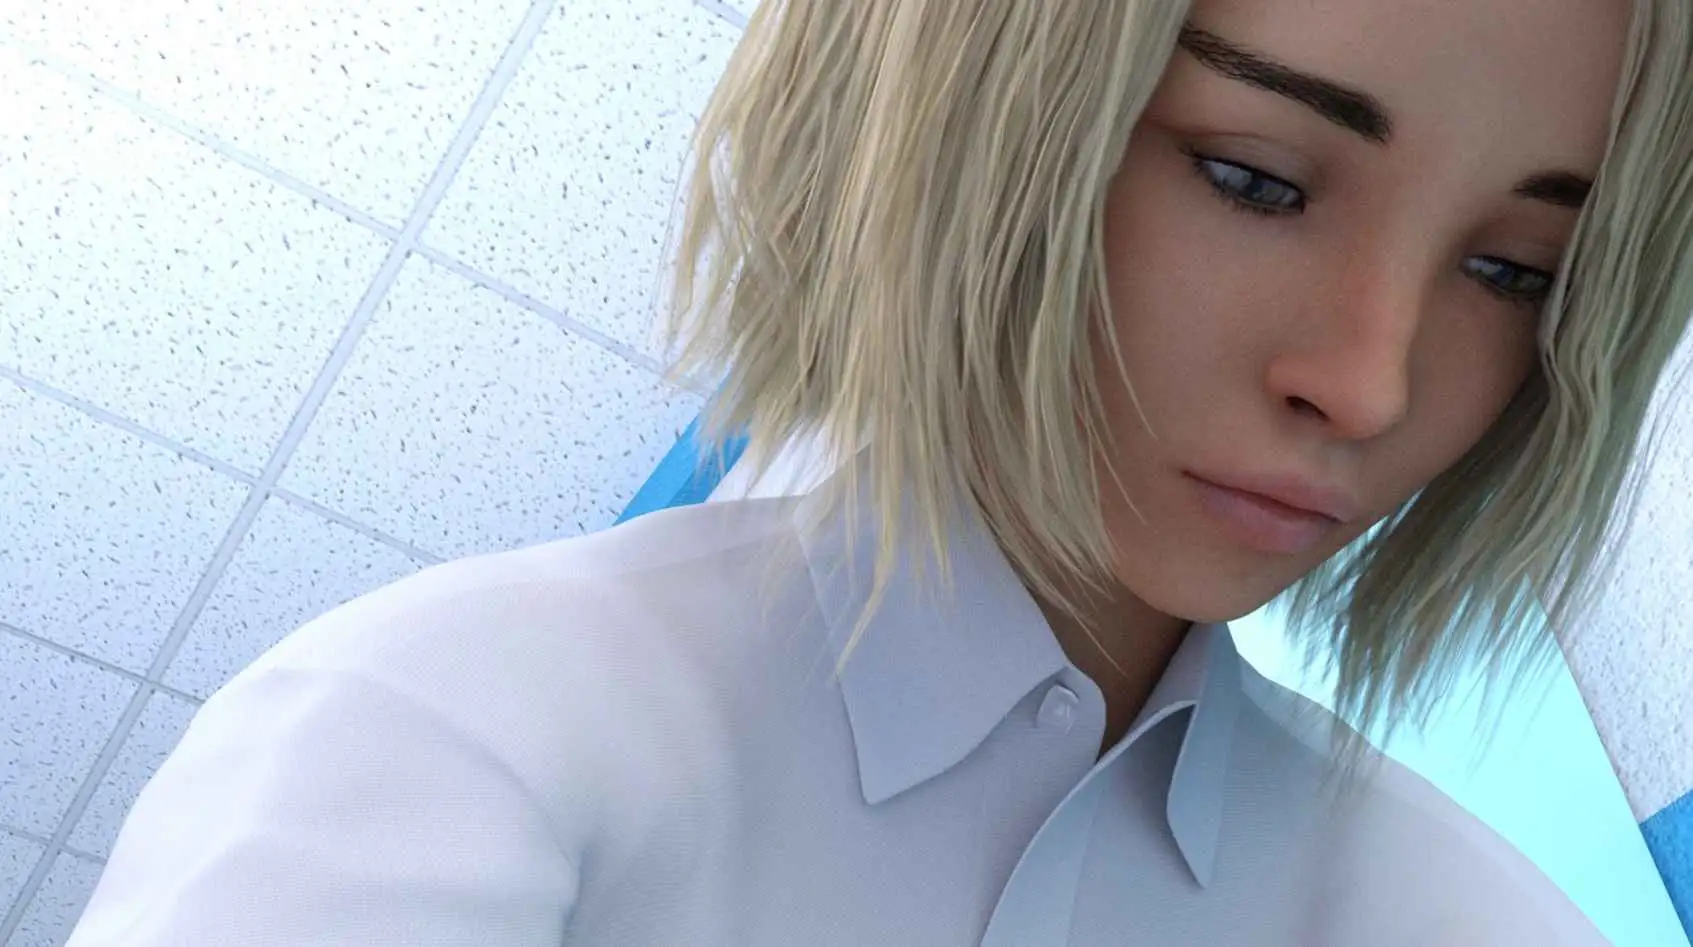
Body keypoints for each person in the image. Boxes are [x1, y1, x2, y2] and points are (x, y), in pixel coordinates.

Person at [66, 0, 1693, 944]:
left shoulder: (1473, 917)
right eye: (1254, 179)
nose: (1371, 378)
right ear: (980, 111)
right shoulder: (457, 733)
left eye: (1518, 272)